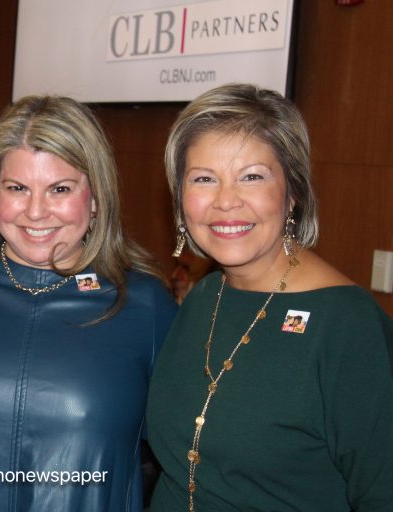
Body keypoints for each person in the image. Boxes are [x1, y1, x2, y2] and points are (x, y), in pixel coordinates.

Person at [0, 95, 177, 511]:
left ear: (95, 197)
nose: (36, 212)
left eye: (59, 189)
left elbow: (197, 450)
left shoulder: (145, 307)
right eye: (18, 188)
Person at [146, 83, 393, 511]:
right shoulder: (204, 295)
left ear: (292, 192)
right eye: (204, 179)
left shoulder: (348, 325)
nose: (225, 201)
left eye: (252, 177)